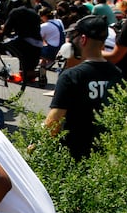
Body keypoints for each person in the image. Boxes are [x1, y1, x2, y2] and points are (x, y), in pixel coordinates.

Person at [45, 15, 122, 162]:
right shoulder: (116, 73)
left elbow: (54, 121)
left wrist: (37, 145)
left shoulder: (71, 76)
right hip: (100, 152)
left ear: (83, 39)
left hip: (70, 154)